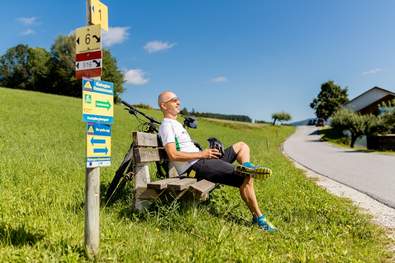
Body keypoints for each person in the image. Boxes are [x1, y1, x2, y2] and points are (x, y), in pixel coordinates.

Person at [158, 91, 277, 232]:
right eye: (174, 100)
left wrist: (209, 152)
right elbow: (172, 155)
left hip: (202, 160)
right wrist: (203, 154)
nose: (178, 102)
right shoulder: (166, 126)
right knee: (246, 177)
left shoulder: (176, 124)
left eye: (178, 99)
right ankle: (259, 218)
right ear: (164, 106)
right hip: (194, 167)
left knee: (241, 146)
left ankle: (247, 167)